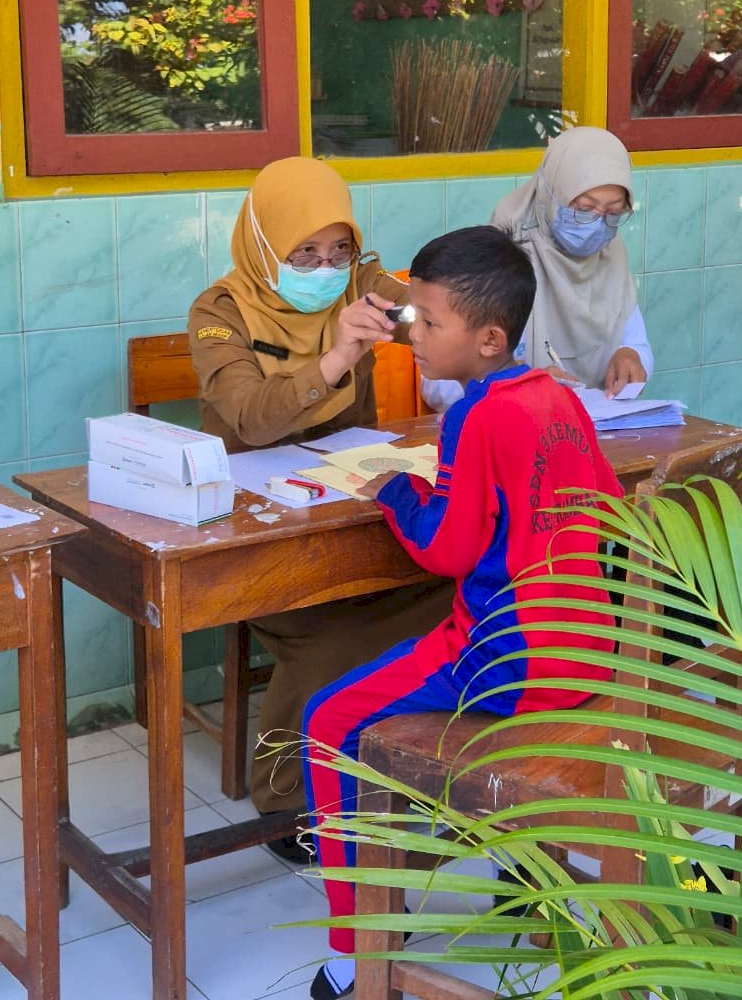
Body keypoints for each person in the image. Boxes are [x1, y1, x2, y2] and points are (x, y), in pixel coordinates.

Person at [300, 225, 621, 1000]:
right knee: (393, 672)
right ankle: (515, 867)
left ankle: (355, 950)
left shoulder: (472, 418)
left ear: (488, 339)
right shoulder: (558, 397)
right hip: (588, 648)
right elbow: (607, 504)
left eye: (429, 322)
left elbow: (445, 549)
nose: (413, 335)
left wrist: (395, 490)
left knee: (327, 720)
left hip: (508, 660)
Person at [188, 157, 454, 850]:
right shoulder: (220, 311)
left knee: (461, 581)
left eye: (339, 249)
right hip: (258, 529)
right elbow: (249, 418)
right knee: (327, 635)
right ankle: (285, 802)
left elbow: (428, 315)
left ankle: (409, 755)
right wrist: (336, 357)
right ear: (263, 243)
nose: (326, 267)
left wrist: (435, 323)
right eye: (304, 252)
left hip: (351, 508)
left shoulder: (360, 283)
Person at [421, 127, 652, 412]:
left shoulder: (610, 254)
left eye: (613, 213)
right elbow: (438, 386)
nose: (596, 226)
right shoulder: (504, 256)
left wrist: (631, 356)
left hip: (590, 426)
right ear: (550, 197)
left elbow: (635, 341)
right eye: (583, 210)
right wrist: (521, 384)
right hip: (505, 428)